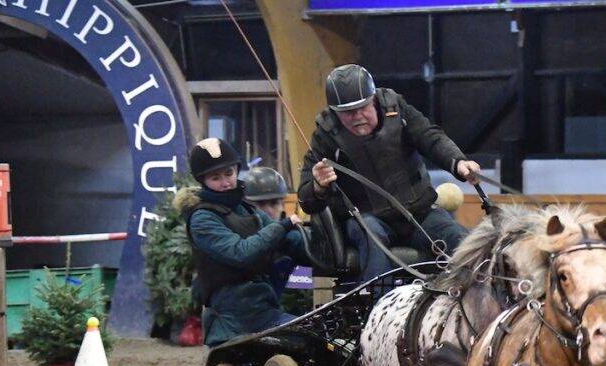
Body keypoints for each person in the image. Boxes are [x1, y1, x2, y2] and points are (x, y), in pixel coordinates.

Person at [297, 64, 481, 282]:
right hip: (368, 220)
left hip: (420, 214)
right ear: (335, 113)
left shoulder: (398, 109)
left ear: (373, 100)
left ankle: (474, 296)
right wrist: (318, 186)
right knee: (371, 235)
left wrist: (458, 162)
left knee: (462, 241)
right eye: (347, 112)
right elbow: (306, 199)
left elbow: (430, 137)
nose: (357, 116)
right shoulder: (325, 135)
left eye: (363, 107)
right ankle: (378, 301)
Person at [176, 138, 314, 347]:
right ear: (202, 181)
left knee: (318, 337)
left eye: (229, 173)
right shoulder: (202, 219)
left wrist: (320, 244)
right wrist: (283, 225)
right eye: (215, 177)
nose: (225, 182)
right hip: (233, 324)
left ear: (236, 171)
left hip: (264, 311)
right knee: (306, 341)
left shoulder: (246, 209)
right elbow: (240, 253)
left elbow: (289, 241)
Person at [243, 166, 299, 296]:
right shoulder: (239, 244)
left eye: (274, 203)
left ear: (283, 206)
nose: (268, 210)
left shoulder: (294, 240)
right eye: (261, 204)